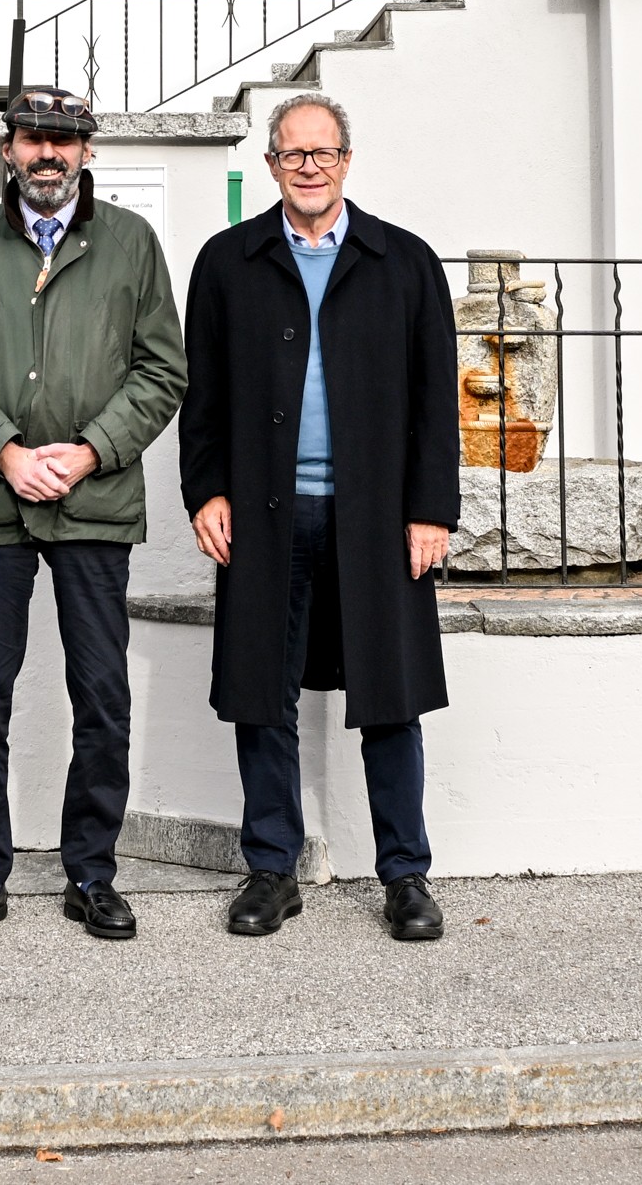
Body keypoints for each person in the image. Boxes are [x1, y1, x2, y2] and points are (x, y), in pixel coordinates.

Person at [0, 82, 187, 947]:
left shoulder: (131, 244)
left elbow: (162, 370)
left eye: (64, 140)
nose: (48, 153)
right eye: (33, 138)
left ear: (87, 151)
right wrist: (5, 451)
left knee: (101, 694)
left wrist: (92, 449)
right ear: (8, 149)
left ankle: (92, 873)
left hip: (95, 503)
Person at [177, 91, 457, 943]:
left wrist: (430, 510)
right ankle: (272, 868)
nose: (309, 167)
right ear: (271, 164)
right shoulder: (228, 261)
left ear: (346, 160)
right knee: (263, 694)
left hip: (377, 518)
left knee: (390, 694)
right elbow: (203, 393)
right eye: (293, 153)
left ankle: (405, 875)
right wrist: (207, 490)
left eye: (323, 152)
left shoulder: (405, 261)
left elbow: (434, 401)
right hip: (265, 515)